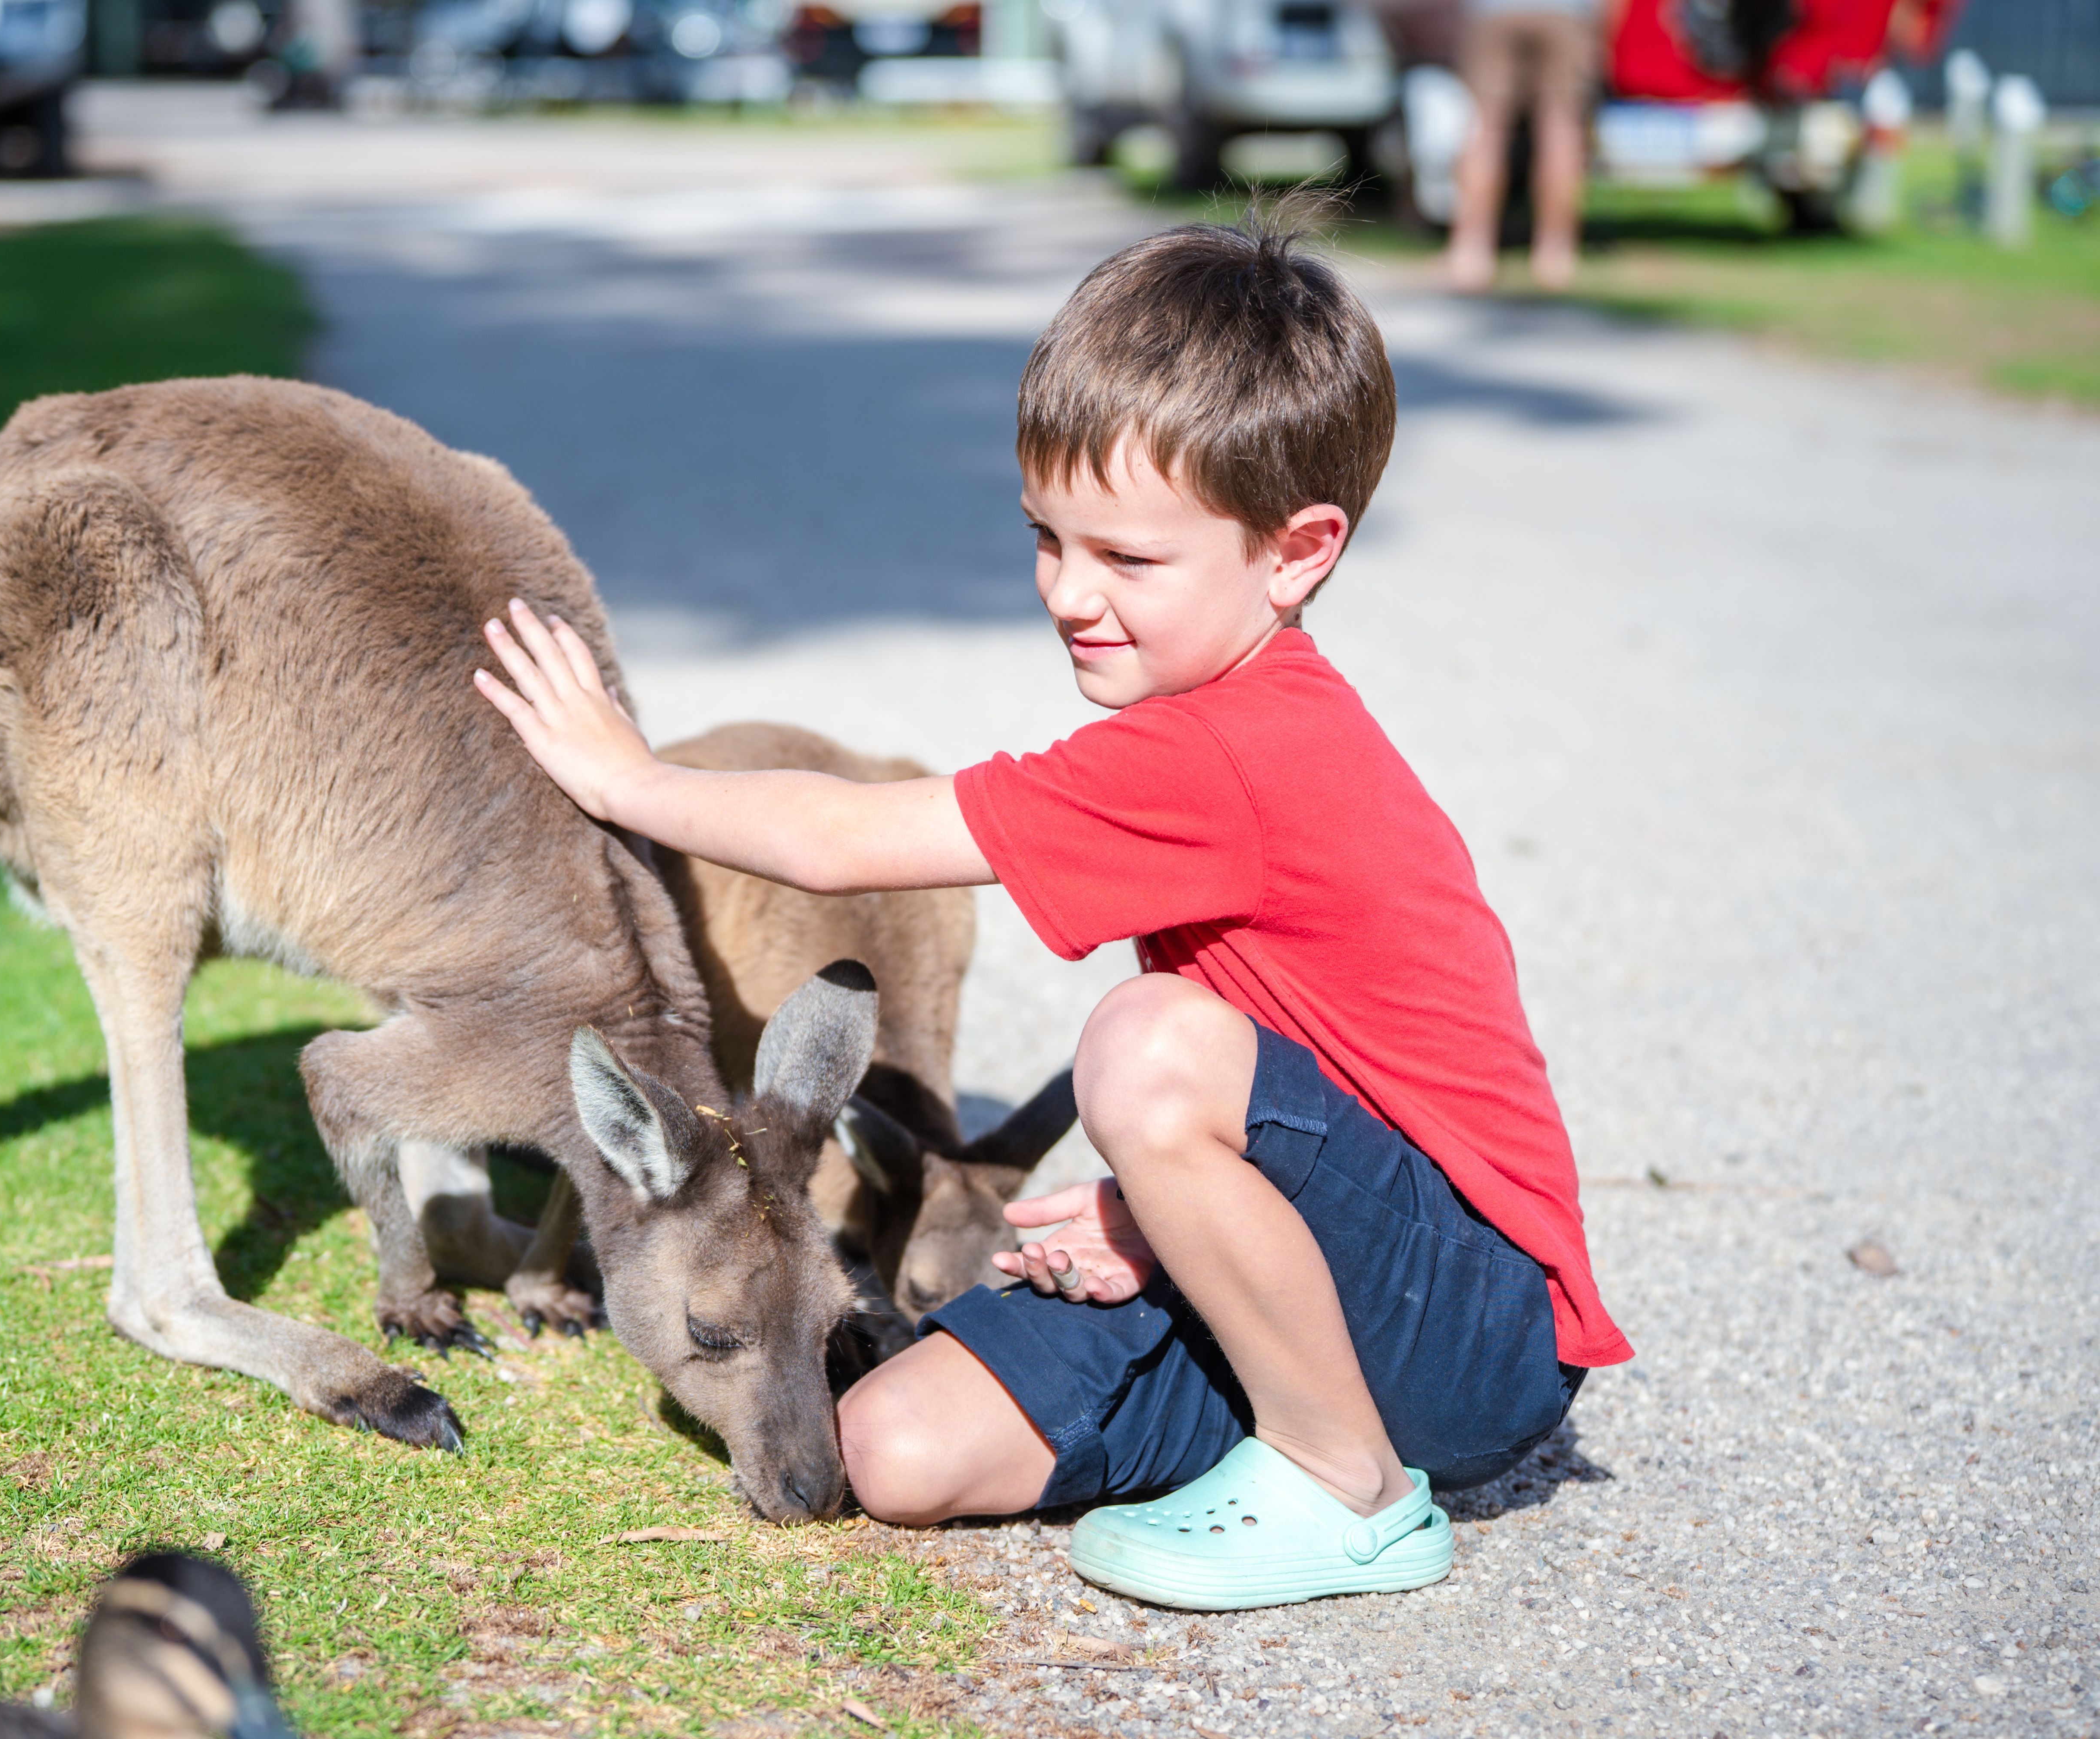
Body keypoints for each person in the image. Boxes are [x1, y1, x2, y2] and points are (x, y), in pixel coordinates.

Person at [473, 219, 1632, 1611]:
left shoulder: (1230, 750)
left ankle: (1349, 1488)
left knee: (1144, 1042)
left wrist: (629, 778)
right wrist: (1160, 1215)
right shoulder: (1198, 713)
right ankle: (1287, 1415)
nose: (1066, 594)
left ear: (1295, 551)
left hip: (1471, 1325)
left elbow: (843, 843)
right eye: (1043, 537)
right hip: (1347, 1283)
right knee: (888, 1450)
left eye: (1126, 561)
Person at [1443, 0, 1610, 292]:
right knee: (1561, 129)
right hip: (1567, 12)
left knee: (1487, 129)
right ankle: (1556, 255)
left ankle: (1471, 253)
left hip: (1493, 12)